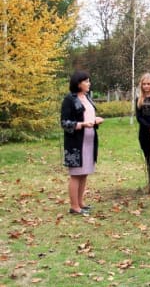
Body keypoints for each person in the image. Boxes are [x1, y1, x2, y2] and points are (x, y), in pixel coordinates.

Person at [61, 71, 104, 215]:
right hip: (75, 143)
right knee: (76, 174)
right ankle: (74, 207)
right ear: (78, 84)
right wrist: (83, 124)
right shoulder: (69, 99)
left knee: (84, 173)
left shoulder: (87, 97)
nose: (89, 83)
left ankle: (81, 203)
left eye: (89, 81)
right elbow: (65, 123)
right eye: (86, 81)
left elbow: (89, 116)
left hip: (89, 140)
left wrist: (96, 120)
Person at [136, 73, 150, 195]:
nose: (146, 86)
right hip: (144, 133)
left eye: (148, 84)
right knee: (149, 159)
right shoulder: (139, 99)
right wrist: (149, 127)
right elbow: (139, 117)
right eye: (144, 84)